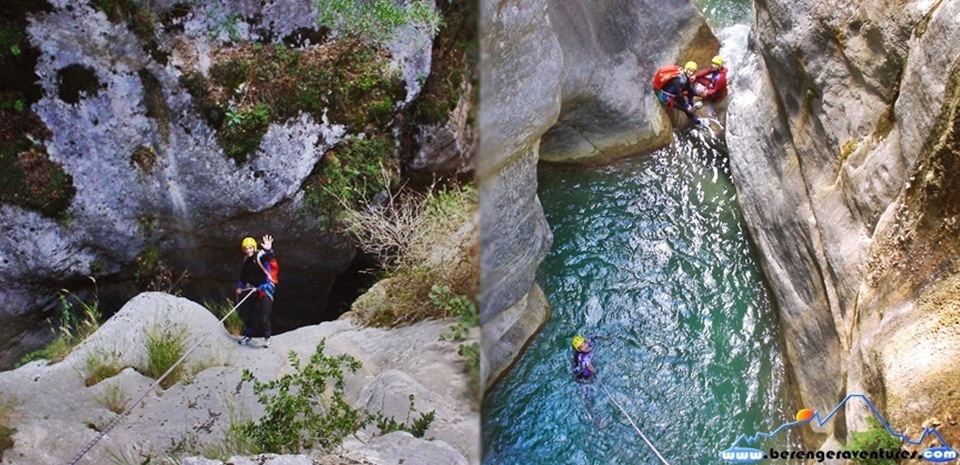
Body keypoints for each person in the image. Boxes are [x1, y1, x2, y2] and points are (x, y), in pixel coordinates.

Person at [236, 234, 278, 348]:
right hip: (253, 290)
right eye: (246, 248)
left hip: (265, 289)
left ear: (254, 247)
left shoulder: (261, 256)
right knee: (247, 313)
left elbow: (269, 257)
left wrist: (269, 249)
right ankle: (248, 335)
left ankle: (267, 337)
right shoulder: (247, 262)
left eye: (250, 247)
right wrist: (239, 287)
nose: (248, 250)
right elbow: (243, 277)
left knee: (265, 315)